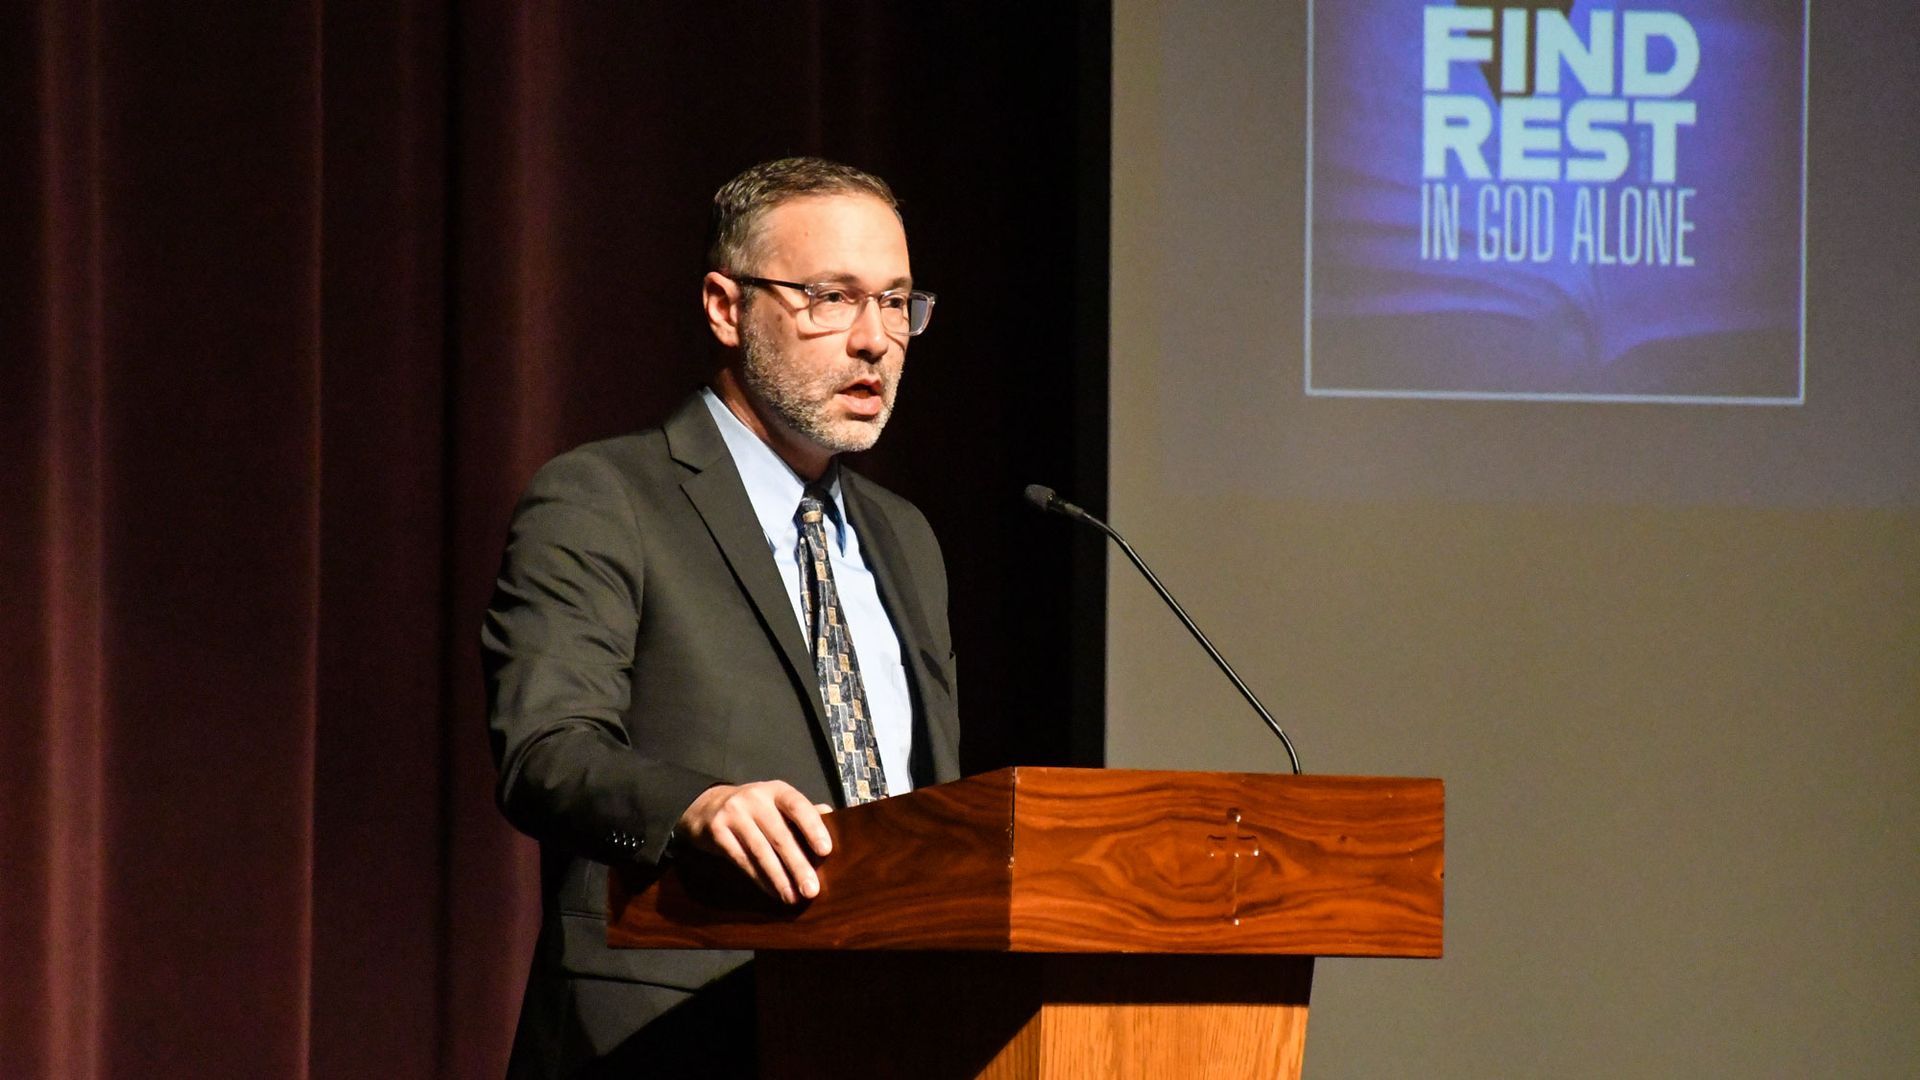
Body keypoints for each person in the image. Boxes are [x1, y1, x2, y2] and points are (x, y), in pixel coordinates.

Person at [482, 156, 960, 1077]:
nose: (875, 340)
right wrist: (696, 806)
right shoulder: (604, 497)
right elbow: (544, 750)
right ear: (725, 306)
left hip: (888, 1030)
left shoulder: (905, 539)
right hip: (673, 1033)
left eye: (898, 303)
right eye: (832, 298)